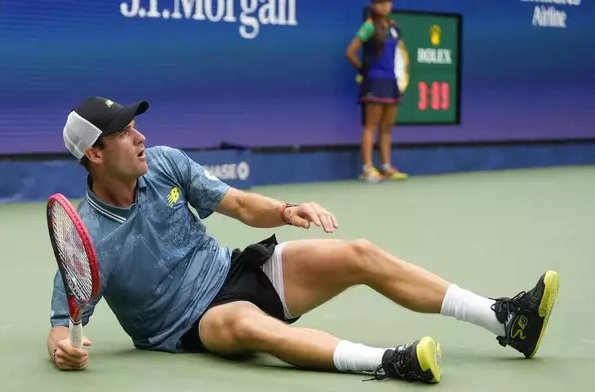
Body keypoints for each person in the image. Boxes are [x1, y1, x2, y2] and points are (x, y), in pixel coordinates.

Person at [48, 96, 560, 384]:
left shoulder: (163, 163)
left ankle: (505, 318)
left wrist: (287, 210)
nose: (140, 137)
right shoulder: (87, 238)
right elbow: (59, 327)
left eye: (137, 126)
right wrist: (63, 351)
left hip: (234, 270)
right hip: (191, 324)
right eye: (125, 133)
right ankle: (391, 362)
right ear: (95, 154)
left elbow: (241, 205)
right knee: (247, 322)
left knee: (359, 254)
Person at [346, 0, 409, 183]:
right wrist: (363, 70)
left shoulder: (394, 26)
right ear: (374, 6)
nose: (386, 6)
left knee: (387, 128)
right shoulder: (369, 26)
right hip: (374, 82)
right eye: (381, 3)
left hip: (391, 82)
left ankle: (387, 167)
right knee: (371, 126)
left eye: (388, 3)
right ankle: (367, 169)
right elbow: (350, 52)